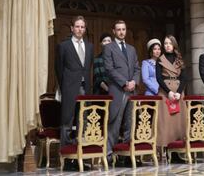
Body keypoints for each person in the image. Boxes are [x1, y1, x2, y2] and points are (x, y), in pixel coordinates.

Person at [103, 20, 140, 163]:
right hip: (117, 90)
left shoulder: (131, 49)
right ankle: (109, 154)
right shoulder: (109, 48)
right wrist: (124, 83)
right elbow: (109, 69)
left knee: (130, 123)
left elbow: (137, 68)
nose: (121, 32)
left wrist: (134, 82)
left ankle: (126, 155)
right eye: (118, 29)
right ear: (114, 31)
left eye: (123, 29)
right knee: (114, 123)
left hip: (132, 91)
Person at [54, 15, 94, 147]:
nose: (80, 29)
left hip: (85, 87)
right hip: (69, 87)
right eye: (77, 26)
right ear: (72, 28)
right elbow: (59, 68)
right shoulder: (63, 46)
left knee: (83, 118)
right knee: (67, 120)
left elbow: (89, 68)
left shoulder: (90, 47)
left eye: (82, 27)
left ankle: (81, 150)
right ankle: (66, 153)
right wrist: (64, 85)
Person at [155, 35, 187, 152]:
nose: (167, 45)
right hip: (165, 92)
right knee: (165, 121)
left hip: (178, 92)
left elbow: (184, 77)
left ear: (174, 45)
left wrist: (179, 92)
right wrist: (168, 92)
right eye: (165, 43)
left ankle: (179, 150)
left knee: (179, 121)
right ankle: (165, 148)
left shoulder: (179, 59)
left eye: (169, 43)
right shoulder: (160, 59)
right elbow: (158, 78)